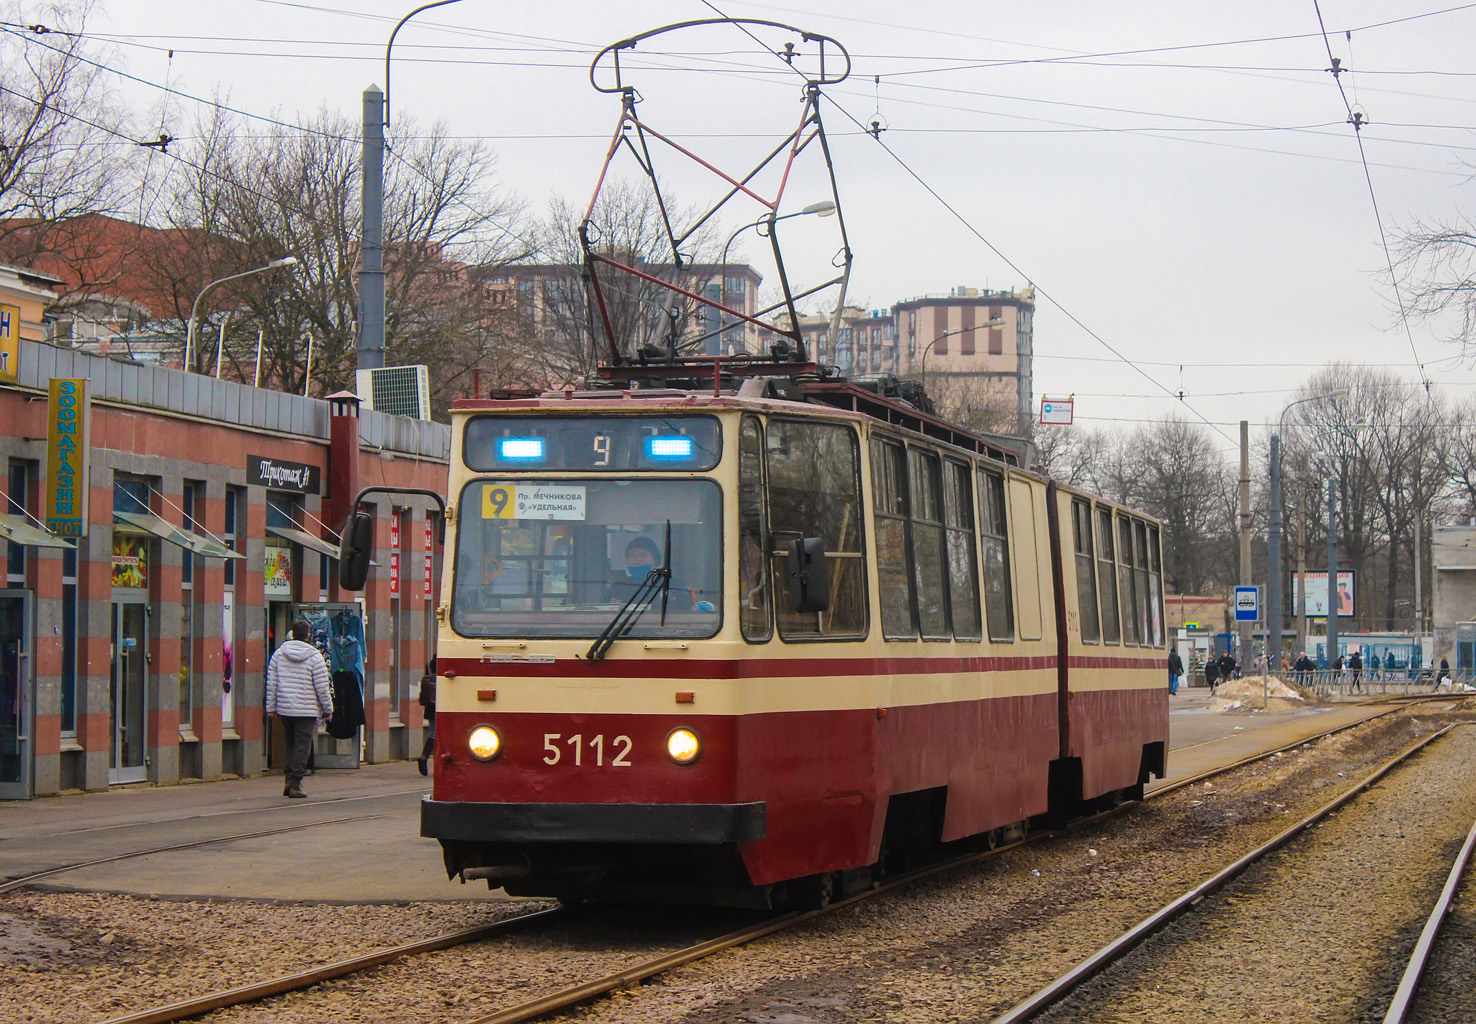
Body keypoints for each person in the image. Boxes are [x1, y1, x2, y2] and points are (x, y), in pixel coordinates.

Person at [266, 619, 333, 799]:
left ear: (292, 634)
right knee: (302, 746)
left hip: (285, 708)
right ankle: (296, 783)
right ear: (308, 635)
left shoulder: (279, 655)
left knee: (290, 743)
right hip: (306, 709)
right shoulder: (314, 656)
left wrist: (271, 707)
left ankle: (288, 781)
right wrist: (328, 708)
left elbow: (272, 683)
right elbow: (322, 686)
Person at [417, 659, 437, 777]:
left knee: (432, 733)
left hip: (430, 706)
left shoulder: (430, 664)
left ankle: (424, 756)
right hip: (442, 705)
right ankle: (425, 757)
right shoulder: (444, 661)